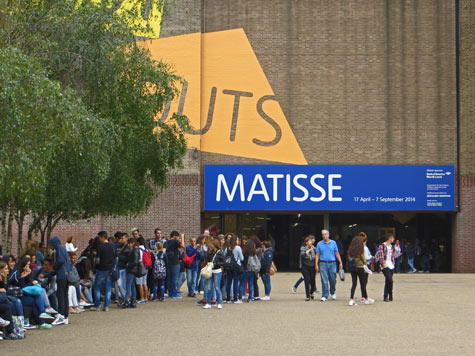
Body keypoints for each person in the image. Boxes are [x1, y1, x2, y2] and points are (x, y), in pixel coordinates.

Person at [315, 230, 343, 302]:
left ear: (328, 235)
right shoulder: (319, 244)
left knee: (333, 279)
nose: (324, 236)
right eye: (323, 234)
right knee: (324, 280)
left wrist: (340, 262)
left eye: (325, 234)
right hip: (323, 263)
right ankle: (325, 295)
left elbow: (336, 253)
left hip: (332, 263)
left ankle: (333, 291)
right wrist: (316, 264)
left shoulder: (333, 243)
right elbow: (317, 254)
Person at [49, 236, 71, 325]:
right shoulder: (63, 248)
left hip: (61, 275)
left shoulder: (58, 249)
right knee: (65, 295)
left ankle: (61, 315)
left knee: (60, 295)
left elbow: (60, 260)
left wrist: (54, 268)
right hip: (67, 275)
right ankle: (66, 316)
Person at [347, 235, 374, 306]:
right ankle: (366, 298)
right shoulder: (360, 248)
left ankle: (351, 299)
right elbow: (363, 258)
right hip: (360, 266)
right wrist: (365, 264)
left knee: (354, 283)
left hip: (352, 267)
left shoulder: (350, 249)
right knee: (363, 284)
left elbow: (349, 257)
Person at [92, 231, 115, 311]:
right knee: (108, 287)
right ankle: (106, 305)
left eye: (99, 238)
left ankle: (97, 305)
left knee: (97, 286)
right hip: (109, 269)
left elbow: (97, 260)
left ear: (102, 237)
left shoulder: (100, 247)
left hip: (101, 269)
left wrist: (96, 268)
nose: (98, 239)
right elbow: (114, 258)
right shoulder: (112, 246)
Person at [203, 239, 225, 309]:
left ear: (215, 244)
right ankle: (208, 303)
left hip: (217, 271)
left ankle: (219, 303)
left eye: (212, 244)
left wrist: (216, 264)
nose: (210, 245)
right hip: (211, 271)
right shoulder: (211, 252)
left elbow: (224, 262)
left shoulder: (220, 253)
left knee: (217, 287)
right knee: (209, 288)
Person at [164, 231, 185, 298]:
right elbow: (182, 246)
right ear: (175, 236)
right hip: (175, 262)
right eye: (178, 237)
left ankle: (170, 293)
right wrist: (182, 237)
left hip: (168, 262)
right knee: (174, 279)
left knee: (169, 279)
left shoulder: (166, 242)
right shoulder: (175, 241)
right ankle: (174, 293)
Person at [225, 236, 244, 304]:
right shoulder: (238, 248)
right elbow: (242, 258)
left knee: (228, 283)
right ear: (235, 241)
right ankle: (235, 299)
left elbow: (226, 258)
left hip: (229, 267)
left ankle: (228, 299)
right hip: (236, 267)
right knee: (236, 283)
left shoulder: (227, 248)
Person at [378, 233, 395, 302]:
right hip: (385, 265)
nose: (393, 239)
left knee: (388, 281)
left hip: (391, 265)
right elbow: (380, 255)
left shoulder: (391, 246)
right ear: (389, 238)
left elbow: (392, 255)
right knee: (389, 279)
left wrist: (394, 263)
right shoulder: (382, 246)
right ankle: (386, 296)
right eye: (392, 238)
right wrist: (383, 263)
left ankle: (389, 295)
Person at [300, 236, 316, 301]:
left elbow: (317, 255)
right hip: (305, 266)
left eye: (311, 241)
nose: (311, 242)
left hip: (312, 266)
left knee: (312, 280)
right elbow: (303, 255)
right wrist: (310, 250)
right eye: (310, 241)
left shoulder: (314, 248)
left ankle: (312, 291)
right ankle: (307, 296)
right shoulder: (303, 248)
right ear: (306, 242)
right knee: (307, 280)